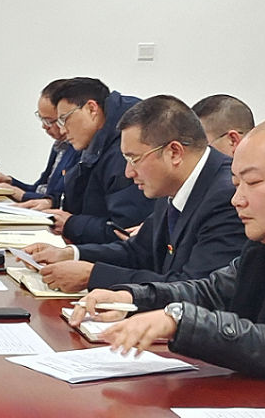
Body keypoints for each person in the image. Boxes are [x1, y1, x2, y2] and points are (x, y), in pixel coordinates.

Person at [73, 115, 265, 418]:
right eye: (235, 184)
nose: (237, 199)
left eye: (253, 183)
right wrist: (132, 298)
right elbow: (213, 292)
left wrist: (180, 322)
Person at [24, 95, 247, 292]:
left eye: (134, 159)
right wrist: (71, 253)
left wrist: (93, 276)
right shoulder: (172, 182)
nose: (128, 173)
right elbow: (138, 251)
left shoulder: (227, 196)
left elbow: (192, 287)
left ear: (174, 153)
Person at [34, 76, 152, 244]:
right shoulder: (96, 144)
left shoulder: (122, 151)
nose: (62, 130)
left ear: (91, 109)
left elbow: (124, 231)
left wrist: (72, 224)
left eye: (64, 119)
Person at [0, 78, 76, 203]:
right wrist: (10, 182)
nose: (44, 126)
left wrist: (17, 193)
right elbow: (40, 189)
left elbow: (58, 200)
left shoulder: (78, 149)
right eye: (41, 119)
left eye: (48, 121)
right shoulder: (59, 146)